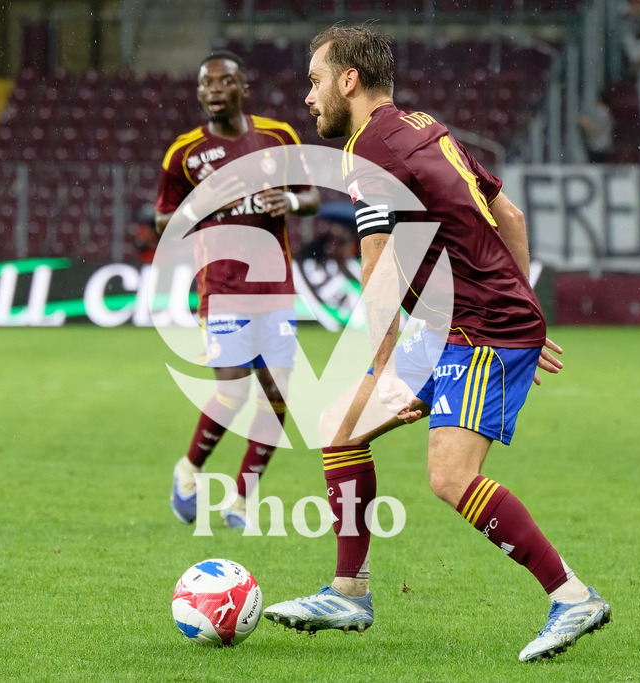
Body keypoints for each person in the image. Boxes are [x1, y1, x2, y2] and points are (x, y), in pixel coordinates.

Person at [262, 25, 611, 663]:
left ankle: (571, 596)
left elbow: (377, 267)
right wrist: (526, 310)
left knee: (451, 477)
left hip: (478, 329)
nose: (307, 97)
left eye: (315, 81)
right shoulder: (425, 127)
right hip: (469, 323)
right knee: (340, 427)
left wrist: (385, 361)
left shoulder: (368, 152)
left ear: (349, 81)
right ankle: (349, 591)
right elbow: (511, 217)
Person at [155, 50, 320, 529]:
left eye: (224, 82)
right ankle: (189, 469)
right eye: (206, 84)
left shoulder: (278, 137)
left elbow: (310, 195)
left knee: (276, 395)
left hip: (274, 287)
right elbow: (163, 216)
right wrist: (200, 204)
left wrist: (287, 198)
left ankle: (243, 498)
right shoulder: (184, 153)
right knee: (233, 392)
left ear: (243, 87)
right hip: (221, 287)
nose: (214, 90)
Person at [578, 91, 614, 163]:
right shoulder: (605, 113)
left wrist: (586, 123)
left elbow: (596, 131)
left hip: (600, 148)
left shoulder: (604, 113)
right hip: (600, 147)